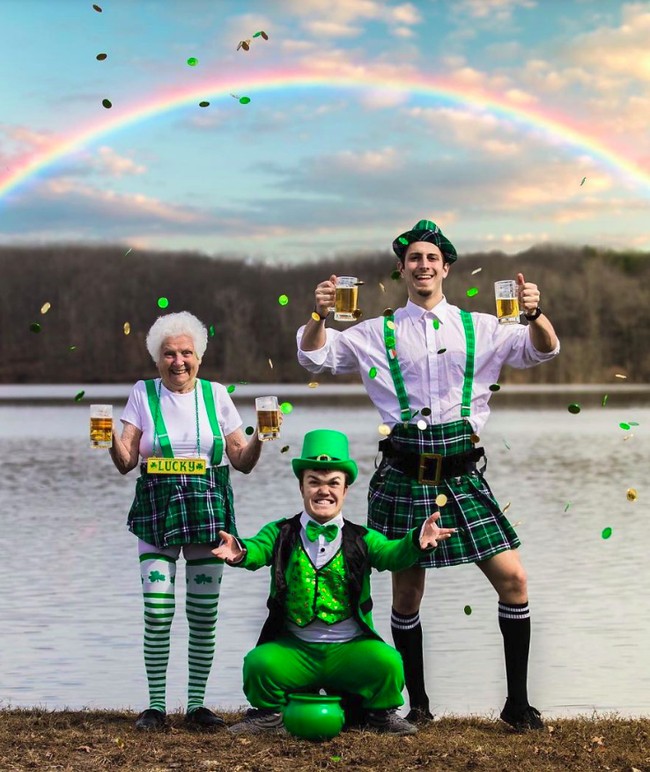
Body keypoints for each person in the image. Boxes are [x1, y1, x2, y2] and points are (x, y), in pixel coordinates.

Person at [296, 220, 560, 731]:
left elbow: (543, 350)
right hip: (404, 472)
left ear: (446, 267)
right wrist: (319, 315)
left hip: (462, 474)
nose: (423, 265)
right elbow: (315, 355)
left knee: (514, 580)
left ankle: (518, 705)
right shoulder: (375, 332)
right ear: (402, 269)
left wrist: (535, 313)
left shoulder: (484, 326)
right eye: (414, 258)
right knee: (407, 595)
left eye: (431, 258)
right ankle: (417, 704)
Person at [212, 429, 456, 736]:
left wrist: (415, 542)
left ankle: (381, 716)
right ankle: (268, 717)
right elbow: (257, 549)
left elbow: (392, 555)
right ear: (301, 486)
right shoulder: (280, 531)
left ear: (345, 489)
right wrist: (241, 551)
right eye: (314, 481)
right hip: (295, 649)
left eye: (332, 483)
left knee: (389, 663)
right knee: (258, 663)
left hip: (349, 650)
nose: (323, 491)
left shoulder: (363, 538)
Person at [109, 311, 267, 731]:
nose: (178, 361)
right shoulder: (142, 394)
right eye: (168, 354)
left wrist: (261, 439)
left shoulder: (216, 395)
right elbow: (126, 462)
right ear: (156, 359)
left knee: (203, 613)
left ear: (199, 356)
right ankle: (155, 707)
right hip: (157, 507)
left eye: (186, 353)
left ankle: (196, 706)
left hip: (208, 506)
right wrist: (107, 435)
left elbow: (241, 461)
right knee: (158, 612)